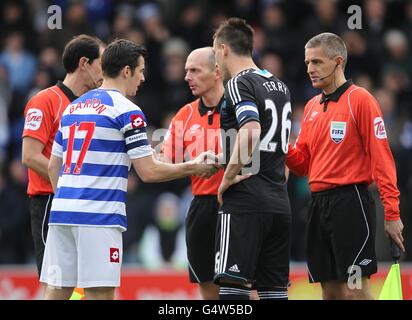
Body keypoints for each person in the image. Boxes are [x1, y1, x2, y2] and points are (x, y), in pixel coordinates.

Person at [40, 39, 218, 300]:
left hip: (62, 214)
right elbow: (148, 172)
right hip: (99, 218)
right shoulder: (127, 111)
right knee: (100, 293)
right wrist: (194, 166)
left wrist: (70, 200)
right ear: (126, 71)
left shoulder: (73, 108)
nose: (143, 78)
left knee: (56, 292)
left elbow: (54, 165)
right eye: (140, 71)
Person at [286, 32, 404, 300]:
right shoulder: (312, 107)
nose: (309, 69)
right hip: (317, 204)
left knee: (356, 292)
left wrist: (392, 212)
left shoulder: (360, 100)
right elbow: (303, 165)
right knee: (330, 294)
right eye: (307, 63)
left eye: (316, 62)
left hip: (350, 203)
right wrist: (283, 147)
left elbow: (382, 159)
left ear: (338, 61)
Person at [212, 18, 292, 300]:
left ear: (223, 49)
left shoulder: (238, 83)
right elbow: (283, 152)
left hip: (246, 201)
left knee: (233, 288)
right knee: (273, 291)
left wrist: (228, 177)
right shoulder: (281, 87)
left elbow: (251, 131)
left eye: (214, 54)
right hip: (279, 203)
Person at [22, 34, 105, 277]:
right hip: (51, 201)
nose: (105, 72)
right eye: (101, 64)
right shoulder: (44, 101)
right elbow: (29, 156)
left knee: (83, 280)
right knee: (57, 280)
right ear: (84, 63)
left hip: (84, 202)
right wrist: (69, 185)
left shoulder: (94, 105)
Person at [161, 47, 225, 299]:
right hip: (201, 206)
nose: (187, 76)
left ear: (217, 72)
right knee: (208, 291)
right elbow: (165, 163)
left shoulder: (241, 109)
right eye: (186, 70)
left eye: (195, 70)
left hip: (237, 204)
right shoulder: (185, 115)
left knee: (243, 290)